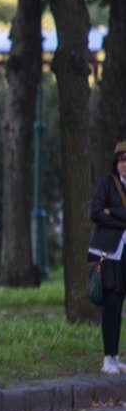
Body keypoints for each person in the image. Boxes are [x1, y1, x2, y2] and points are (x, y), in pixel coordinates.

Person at [88, 141, 126, 374]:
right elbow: (96, 212)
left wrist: (113, 212)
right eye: (122, 161)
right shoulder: (106, 184)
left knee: (120, 302)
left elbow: (106, 213)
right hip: (108, 253)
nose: (125, 165)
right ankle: (106, 358)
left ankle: (115, 355)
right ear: (116, 164)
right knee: (110, 303)